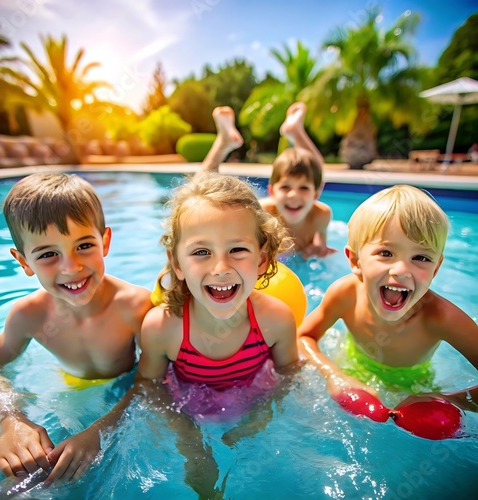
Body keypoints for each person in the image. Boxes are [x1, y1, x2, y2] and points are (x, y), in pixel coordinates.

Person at [59, 172, 300, 496]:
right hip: (187, 408)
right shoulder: (163, 327)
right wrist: (188, 439)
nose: (220, 268)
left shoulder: (276, 320)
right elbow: (148, 387)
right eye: (201, 252)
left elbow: (289, 376)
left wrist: (257, 422)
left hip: (249, 404)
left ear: (262, 259)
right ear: (177, 264)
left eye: (237, 250)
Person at [0, 173, 153, 482]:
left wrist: (100, 431)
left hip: (123, 391)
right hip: (64, 390)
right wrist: (11, 419)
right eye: (48, 254)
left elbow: (154, 382)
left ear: (106, 242)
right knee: (10, 476)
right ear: (23, 262)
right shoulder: (29, 315)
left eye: (84, 245)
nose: (71, 267)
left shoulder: (136, 307)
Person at [297, 184, 478, 397]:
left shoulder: (443, 318)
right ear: (355, 261)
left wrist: (447, 401)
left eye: (421, 258)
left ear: (436, 269)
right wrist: (334, 375)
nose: (401, 271)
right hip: (351, 364)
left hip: (413, 387)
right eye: (386, 253)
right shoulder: (345, 294)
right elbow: (303, 337)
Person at [202, 103, 336, 258]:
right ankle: (222, 144)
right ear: (272, 191)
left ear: (316, 194)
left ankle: (295, 133)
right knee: (202, 197)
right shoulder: (263, 214)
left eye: (304, 188)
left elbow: (321, 247)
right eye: (285, 187)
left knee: (314, 169)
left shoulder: (321, 216)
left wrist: (317, 249)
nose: (293, 194)